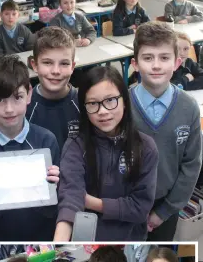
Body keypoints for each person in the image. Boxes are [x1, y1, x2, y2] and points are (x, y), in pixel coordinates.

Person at [54, 66, 159, 241]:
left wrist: (90, 202)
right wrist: (58, 244)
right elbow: (71, 197)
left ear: (124, 100)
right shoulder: (75, 145)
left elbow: (140, 208)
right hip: (87, 242)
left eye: (110, 100)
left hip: (128, 241)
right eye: (93, 104)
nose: (102, 111)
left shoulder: (145, 147)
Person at [0, 56, 60, 241]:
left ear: (29, 95)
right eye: (0, 99)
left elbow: (52, 208)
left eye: (17, 97)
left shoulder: (46, 141)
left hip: (43, 239)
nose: (9, 109)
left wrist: (56, 186)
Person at [130, 22, 202, 241]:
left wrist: (164, 212)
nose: (156, 65)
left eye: (164, 58)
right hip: (125, 205)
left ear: (177, 63)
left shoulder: (189, 107)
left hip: (165, 206)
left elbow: (191, 165)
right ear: (135, 63)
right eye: (148, 58)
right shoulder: (120, 106)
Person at [27, 26, 80, 150]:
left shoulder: (84, 103)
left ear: (72, 67)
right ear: (34, 65)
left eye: (64, 63)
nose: (56, 71)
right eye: (47, 62)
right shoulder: (24, 107)